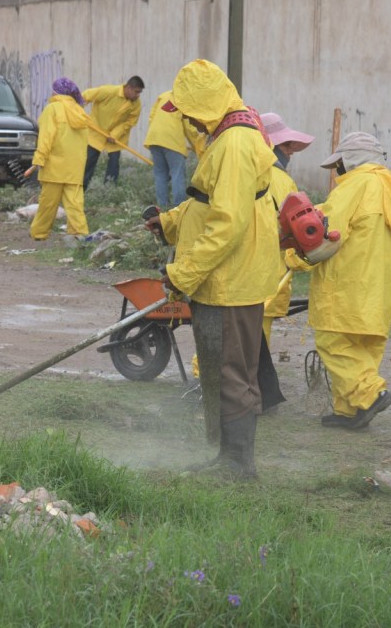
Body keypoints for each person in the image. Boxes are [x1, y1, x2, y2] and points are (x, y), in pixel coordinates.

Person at [148, 59, 278, 479]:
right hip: (225, 278)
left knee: (230, 372)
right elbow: (210, 204)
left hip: (229, 280)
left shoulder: (235, 144)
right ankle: (228, 459)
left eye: (187, 110)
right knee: (225, 368)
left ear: (203, 105)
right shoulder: (227, 136)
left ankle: (238, 465)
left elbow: (228, 224)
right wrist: (169, 224)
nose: (185, 119)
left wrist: (181, 274)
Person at [290, 132, 391, 430]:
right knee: (363, 349)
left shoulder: (355, 186)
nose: (337, 171)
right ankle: (351, 411)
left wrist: (292, 259)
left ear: (351, 161)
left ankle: (370, 395)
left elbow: (324, 232)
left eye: (339, 164)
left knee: (333, 343)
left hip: (346, 285)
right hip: (379, 291)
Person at [259, 112, 313, 346]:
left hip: (241, 271)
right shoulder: (282, 182)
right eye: (287, 145)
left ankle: (208, 375)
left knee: (230, 331)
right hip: (267, 271)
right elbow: (292, 228)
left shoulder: (242, 171)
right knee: (254, 339)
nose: (291, 151)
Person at [25, 77, 91, 240]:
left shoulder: (52, 109)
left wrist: (38, 160)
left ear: (56, 92)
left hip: (54, 166)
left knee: (48, 204)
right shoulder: (79, 111)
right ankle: (79, 234)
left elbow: (46, 138)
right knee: (75, 204)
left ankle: (38, 233)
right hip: (74, 167)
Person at [144, 90, 206, 209]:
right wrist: (199, 148)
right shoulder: (184, 100)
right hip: (172, 141)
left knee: (160, 174)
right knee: (177, 174)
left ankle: (163, 208)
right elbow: (190, 127)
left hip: (154, 139)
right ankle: (180, 208)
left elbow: (152, 116)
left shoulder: (163, 96)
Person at [81, 76, 144, 188]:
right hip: (96, 133)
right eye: (136, 92)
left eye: (139, 92)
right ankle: (81, 188)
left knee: (114, 164)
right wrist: (77, 110)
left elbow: (130, 122)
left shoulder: (136, 104)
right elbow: (85, 96)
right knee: (89, 162)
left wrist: (115, 134)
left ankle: (109, 189)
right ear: (129, 88)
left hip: (116, 138)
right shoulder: (109, 91)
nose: (138, 95)